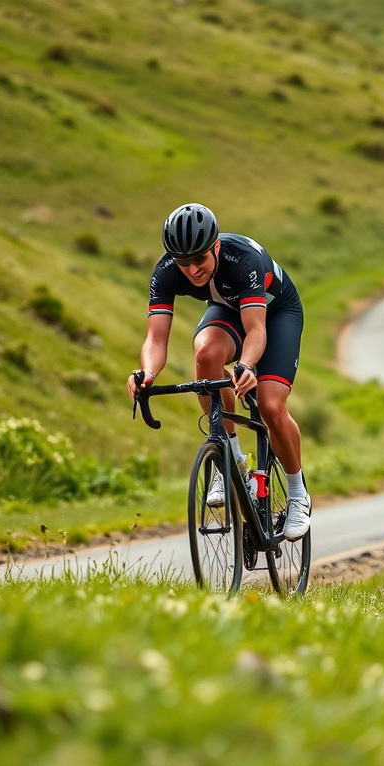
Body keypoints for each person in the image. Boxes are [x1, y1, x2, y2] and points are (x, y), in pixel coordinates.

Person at [126, 203, 311, 541]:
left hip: (276, 311)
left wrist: (247, 366)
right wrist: (147, 372)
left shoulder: (242, 260)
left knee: (270, 406)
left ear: (216, 247)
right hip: (229, 308)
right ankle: (233, 460)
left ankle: (298, 495)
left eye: (199, 259)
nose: (192, 269)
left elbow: (256, 330)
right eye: (184, 262)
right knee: (206, 355)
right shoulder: (166, 270)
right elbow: (155, 337)